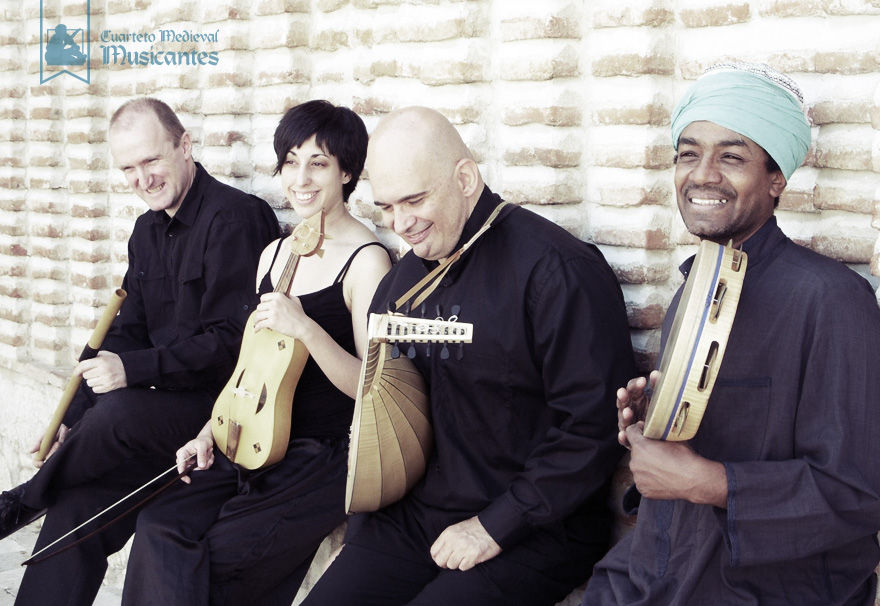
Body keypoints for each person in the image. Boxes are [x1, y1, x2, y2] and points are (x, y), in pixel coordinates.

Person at [582, 62, 880, 606]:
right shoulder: (694, 288)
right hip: (651, 573)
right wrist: (654, 428)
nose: (702, 175)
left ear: (776, 179)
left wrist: (705, 481)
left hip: (761, 590)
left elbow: (855, 495)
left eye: (731, 157)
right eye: (688, 154)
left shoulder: (830, 300)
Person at [301, 106, 636, 606]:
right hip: (417, 515)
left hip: (537, 525)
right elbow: (386, 412)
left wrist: (493, 526)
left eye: (415, 200)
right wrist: (367, 526)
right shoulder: (400, 284)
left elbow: (592, 426)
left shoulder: (556, 269)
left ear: (465, 178)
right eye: (387, 207)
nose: (401, 224)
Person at [0, 97, 279, 606]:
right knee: (74, 512)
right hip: (159, 422)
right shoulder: (146, 230)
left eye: (151, 160)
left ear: (184, 146)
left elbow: (234, 343)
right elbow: (124, 334)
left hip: (221, 417)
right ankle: (44, 501)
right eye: (128, 168)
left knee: (121, 410)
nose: (142, 179)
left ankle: (25, 498)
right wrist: (70, 418)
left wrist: (131, 370)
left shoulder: (235, 218)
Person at [121, 100, 392, 606]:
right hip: (249, 436)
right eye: (290, 162)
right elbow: (251, 367)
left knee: (221, 559)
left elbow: (373, 389)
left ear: (347, 172)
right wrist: (208, 433)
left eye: (318, 163)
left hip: (319, 457)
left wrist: (306, 329)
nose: (300, 179)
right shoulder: (274, 254)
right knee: (159, 524)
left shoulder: (366, 261)